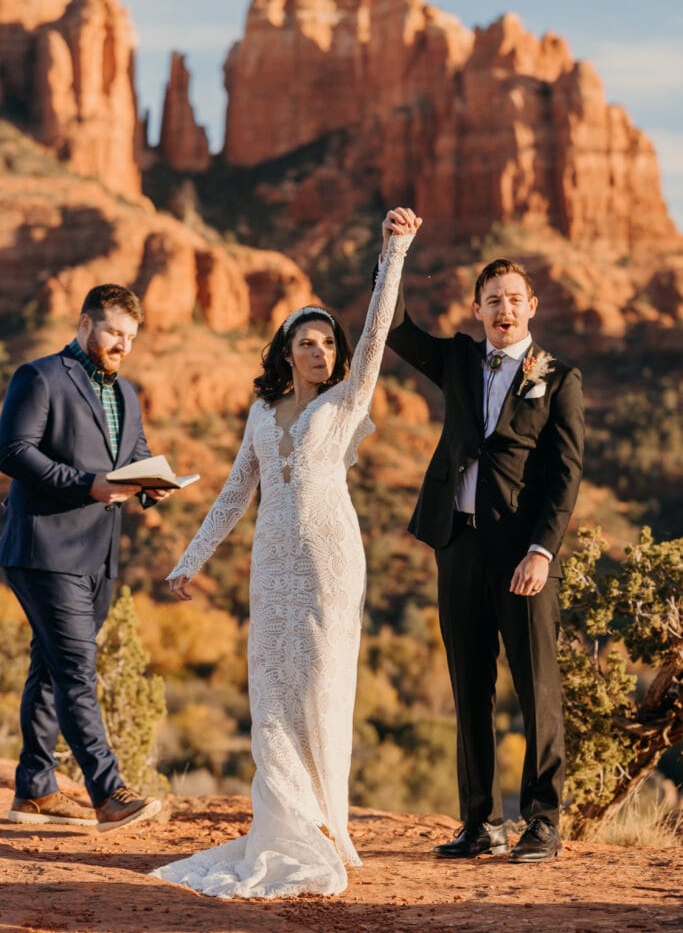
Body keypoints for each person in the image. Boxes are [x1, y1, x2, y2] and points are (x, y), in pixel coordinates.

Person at [152, 210, 421, 899]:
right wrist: (191, 560)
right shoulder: (259, 414)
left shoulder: (345, 401)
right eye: (306, 342)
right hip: (271, 567)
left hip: (332, 564)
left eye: (326, 342)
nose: (319, 352)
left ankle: (329, 825)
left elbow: (374, 336)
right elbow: (233, 494)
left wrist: (393, 253)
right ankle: (284, 824)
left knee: (324, 691)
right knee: (271, 692)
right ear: (285, 351)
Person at [382, 209, 584, 863]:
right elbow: (392, 329)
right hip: (458, 543)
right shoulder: (459, 362)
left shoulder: (557, 379)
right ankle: (477, 823)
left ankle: (542, 824)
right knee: (469, 687)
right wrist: (395, 251)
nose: (503, 310)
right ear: (475, 310)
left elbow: (564, 475)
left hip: (522, 554)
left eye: (512, 300)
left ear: (532, 308)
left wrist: (541, 551)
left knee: (535, 689)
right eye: (491, 300)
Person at [0, 284, 168, 831]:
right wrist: (85, 485)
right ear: (84, 325)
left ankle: (35, 791)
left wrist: (151, 484)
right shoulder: (40, 376)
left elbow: (134, 456)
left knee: (50, 667)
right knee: (76, 668)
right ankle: (108, 793)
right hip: (43, 545)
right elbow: (13, 450)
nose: (123, 344)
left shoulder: (129, 393)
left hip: (100, 555)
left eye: (131, 337)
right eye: (115, 332)